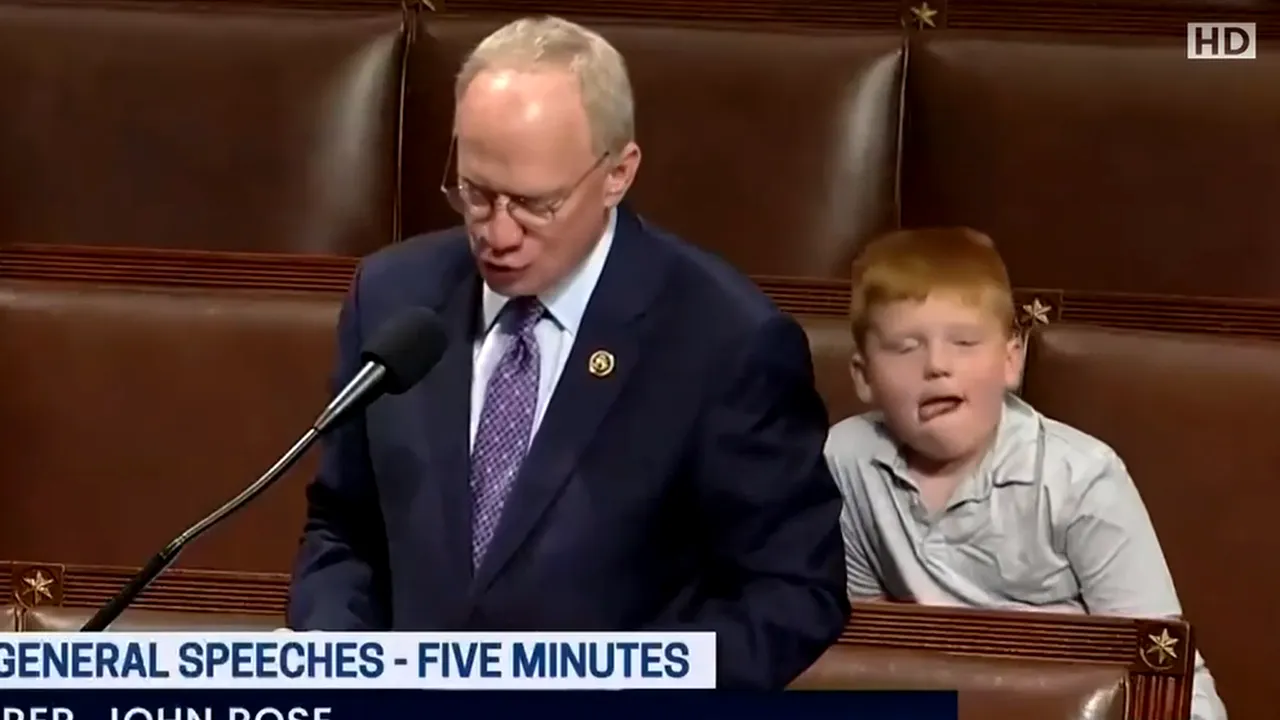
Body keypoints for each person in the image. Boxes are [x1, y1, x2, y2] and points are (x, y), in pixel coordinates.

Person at [286, 15, 848, 689]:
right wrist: (338, 658)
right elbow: (344, 527)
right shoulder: (392, 297)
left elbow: (793, 592)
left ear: (617, 174)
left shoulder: (723, 340)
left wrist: (626, 688)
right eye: (476, 194)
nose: (498, 234)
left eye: (535, 204)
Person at [823, 227, 1227, 718]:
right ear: (864, 376)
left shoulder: (1082, 477)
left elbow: (1157, 660)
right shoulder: (846, 460)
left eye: (965, 342)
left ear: (1011, 361)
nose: (937, 366)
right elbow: (868, 646)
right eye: (906, 347)